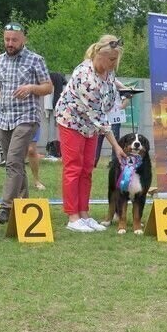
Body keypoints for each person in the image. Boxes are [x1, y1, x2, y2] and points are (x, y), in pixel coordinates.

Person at [0, 23, 52, 224]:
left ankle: (5, 208)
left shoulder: (35, 60)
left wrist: (32, 87)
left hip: (26, 117)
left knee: (13, 162)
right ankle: (24, 204)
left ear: (23, 39)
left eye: (14, 40)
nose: (10, 43)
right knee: (16, 165)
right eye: (7, 39)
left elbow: (48, 87)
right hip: (4, 119)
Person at [54, 34, 126, 232]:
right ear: (99, 54)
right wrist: (117, 146)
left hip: (90, 124)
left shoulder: (107, 71)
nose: (114, 64)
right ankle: (73, 216)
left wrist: (124, 93)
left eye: (116, 60)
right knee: (73, 167)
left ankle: (84, 213)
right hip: (71, 121)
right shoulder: (85, 77)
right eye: (111, 59)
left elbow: (111, 90)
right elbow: (100, 117)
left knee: (87, 168)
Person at [94, 79, 130, 167]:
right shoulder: (99, 81)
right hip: (102, 116)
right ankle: (94, 161)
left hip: (114, 116)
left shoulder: (117, 83)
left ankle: (114, 163)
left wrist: (120, 108)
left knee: (115, 139)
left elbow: (127, 97)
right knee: (98, 139)